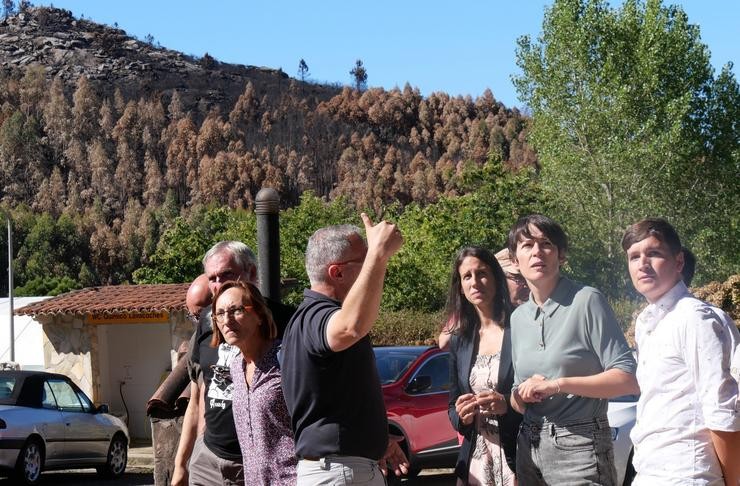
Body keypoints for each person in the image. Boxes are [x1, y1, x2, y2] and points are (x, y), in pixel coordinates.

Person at [508, 214, 638, 486]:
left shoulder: (587, 300)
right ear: (514, 260)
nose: (537, 252)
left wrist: (559, 385)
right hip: (528, 446)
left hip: (579, 446)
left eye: (546, 244)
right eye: (527, 245)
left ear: (561, 255)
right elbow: (516, 398)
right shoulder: (517, 317)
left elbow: (627, 378)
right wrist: (521, 395)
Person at [281, 214, 409, 485]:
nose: (369, 268)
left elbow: (334, 399)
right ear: (337, 272)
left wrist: (377, 440)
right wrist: (379, 253)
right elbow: (350, 327)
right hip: (338, 473)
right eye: (362, 262)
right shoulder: (317, 316)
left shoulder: (309, 318)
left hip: (342, 470)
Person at [622, 218, 740, 485]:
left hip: (688, 474)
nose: (642, 264)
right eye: (634, 257)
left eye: (654, 253)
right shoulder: (646, 322)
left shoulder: (696, 318)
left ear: (678, 263)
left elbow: (724, 415)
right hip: (649, 471)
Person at [172, 241, 294, 486]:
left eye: (226, 274)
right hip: (208, 459)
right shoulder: (207, 324)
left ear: (252, 273)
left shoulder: (289, 324)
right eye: (212, 278)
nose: (218, 285)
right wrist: (181, 465)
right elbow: (196, 402)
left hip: (257, 467)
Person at [446, 246, 523, 485]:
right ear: (460, 286)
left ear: (496, 278)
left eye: (482, 273)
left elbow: (540, 394)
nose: (475, 282)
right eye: (466, 276)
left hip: (518, 457)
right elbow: (452, 406)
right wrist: (463, 417)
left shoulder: (521, 327)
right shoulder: (460, 339)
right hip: (475, 462)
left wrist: (506, 405)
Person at [211, 280, 296, 485]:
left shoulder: (286, 359)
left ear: (259, 315)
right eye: (220, 313)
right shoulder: (235, 367)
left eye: (236, 310)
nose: (227, 320)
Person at [439, 248, 529, 350]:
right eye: (517, 277)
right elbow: (444, 343)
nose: (525, 284)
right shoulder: (464, 334)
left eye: (481, 274)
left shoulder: (524, 324)